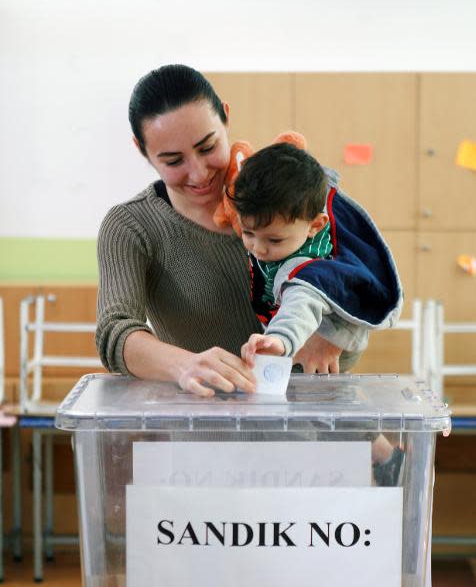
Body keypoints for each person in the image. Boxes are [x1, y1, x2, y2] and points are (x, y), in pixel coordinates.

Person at [96, 64, 347, 396]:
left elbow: (366, 278)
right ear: (142, 150)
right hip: (210, 430)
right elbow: (114, 332)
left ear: (225, 117)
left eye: (207, 147)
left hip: (321, 422)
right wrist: (184, 365)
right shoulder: (131, 226)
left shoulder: (289, 191)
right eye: (173, 161)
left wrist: (335, 333)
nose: (199, 174)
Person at [230, 142, 371, 371]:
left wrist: (279, 340)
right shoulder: (295, 219)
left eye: (274, 240)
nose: (259, 248)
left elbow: (300, 305)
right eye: (248, 233)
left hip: (313, 364)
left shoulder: (305, 267)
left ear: (315, 225)